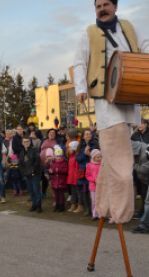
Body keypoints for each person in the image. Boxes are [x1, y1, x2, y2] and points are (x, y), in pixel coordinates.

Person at [74, 0, 149, 224]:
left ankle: (105, 205)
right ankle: (121, 211)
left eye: (106, 4)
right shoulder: (89, 33)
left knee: (111, 159)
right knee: (121, 162)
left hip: (129, 98)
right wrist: (80, 88)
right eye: (98, 6)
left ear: (115, 6)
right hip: (107, 104)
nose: (102, 9)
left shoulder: (129, 28)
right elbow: (79, 63)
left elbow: (145, 46)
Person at [75, 130, 98, 216]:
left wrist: (90, 154)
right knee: (85, 191)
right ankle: (88, 209)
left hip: (94, 171)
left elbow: (99, 157)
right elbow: (77, 159)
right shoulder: (80, 146)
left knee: (94, 191)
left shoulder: (95, 144)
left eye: (89, 134)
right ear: (83, 136)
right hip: (83, 171)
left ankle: (95, 210)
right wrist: (85, 154)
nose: (88, 135)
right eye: (86, 134)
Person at [39, 129, 65, 198]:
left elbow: (61, 151)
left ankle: (56, 194)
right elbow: (39, 149)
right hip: (42, 162)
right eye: (50, 132)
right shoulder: (43, 140)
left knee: (53, 178)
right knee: (43, 177)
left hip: (53, 163)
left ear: (55, 134)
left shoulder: (58, 141)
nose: (51, 134)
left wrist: (53, 159)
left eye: (53, 133)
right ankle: (43, 192)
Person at [19, 136, 42, 212]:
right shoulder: (22, 152)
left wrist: (33, 170)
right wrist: (24, 172)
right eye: (25, 142)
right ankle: (34, 204)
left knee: (36, 190)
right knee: (31, 190)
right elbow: (20, 164)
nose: (26, 143)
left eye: (28, 141)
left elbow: (37, 161)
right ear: (22, 143)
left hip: (35, 174)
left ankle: (38, 205)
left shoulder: (34, 150)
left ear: (30, 142)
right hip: (27, 174)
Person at [131, 140, 149, 220]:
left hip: (146, 177)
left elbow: (145, 169)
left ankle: (145, 218)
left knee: (147, 199)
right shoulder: (134, 149)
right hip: (143, 179)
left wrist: (134, 164)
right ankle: (143, 213)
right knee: (144, 195)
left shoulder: (145, 152)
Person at [49, 147, 68, 212]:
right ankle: (57, 206)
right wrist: (50, 171)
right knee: (56, 195)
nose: (59, 158)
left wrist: (59, 170)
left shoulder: (64, 163)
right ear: (55, 157)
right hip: (55, 181)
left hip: (62, 181)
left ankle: (62, 206)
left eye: (60, 156)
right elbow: (51, 169)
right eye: (57, 156)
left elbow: (66, 171)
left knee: (61, 194)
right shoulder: (53, 163)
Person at [86, 149, 102, 221]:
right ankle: (94, 214)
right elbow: (87, 175)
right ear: (93, 157)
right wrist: (94, 180)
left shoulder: (103, 165)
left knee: (101, 201)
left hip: (102, 186)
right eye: (98, 157)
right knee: (94, 201)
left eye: (101, 156)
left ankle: (101, 214)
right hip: (93, 186)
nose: (100, 158)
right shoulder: (89, 165)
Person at [66, 141, 81, 212]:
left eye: (70, 147)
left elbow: (77, 168)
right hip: (71, 177)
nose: (68, 149)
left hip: (76, 178)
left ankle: (80, 206)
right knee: (73, 192)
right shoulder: (71, 157)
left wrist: (76, 177)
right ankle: (73, 204)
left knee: (78, 192)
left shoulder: (76, 157)